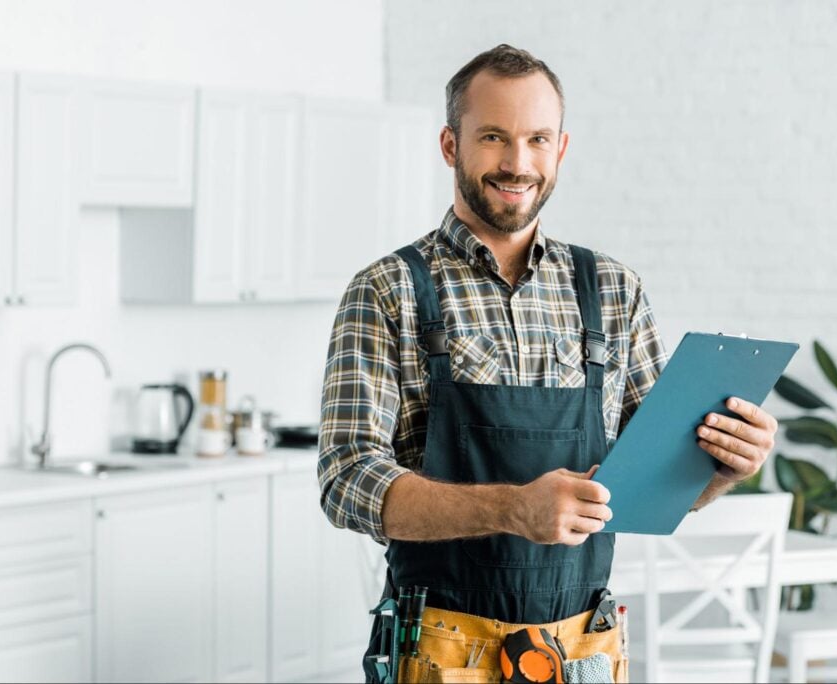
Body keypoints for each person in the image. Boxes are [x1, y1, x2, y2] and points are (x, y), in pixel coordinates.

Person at [318, 44, 779, 683]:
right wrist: (511, 508)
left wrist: (727, 465)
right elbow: (345, 481)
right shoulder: (388, 290)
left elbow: (656, 484)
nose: (517, 163)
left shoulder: (614, 290)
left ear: (560, 148)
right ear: (450, 145)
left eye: (538, 139)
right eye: (493, 137)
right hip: (439, 652)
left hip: (583, 649)